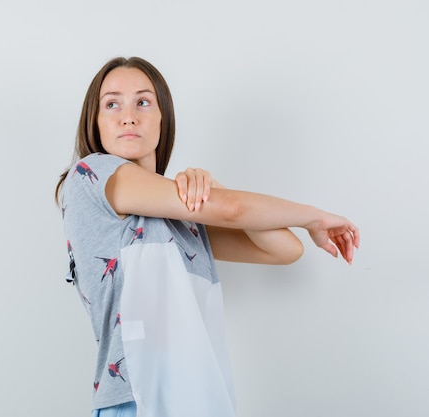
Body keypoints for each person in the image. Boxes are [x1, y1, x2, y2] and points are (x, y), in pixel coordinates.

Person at [55, 57, 359, 417]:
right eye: (112, 103)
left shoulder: (182, 223)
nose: (128, 115)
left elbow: (284, 249)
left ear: (162, 117)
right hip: (137, 401)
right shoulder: (91, 175)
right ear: (96, 122)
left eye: (142, 101)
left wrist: (213, 191)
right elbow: (232, 211)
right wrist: (315, 217)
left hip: (199, 401)